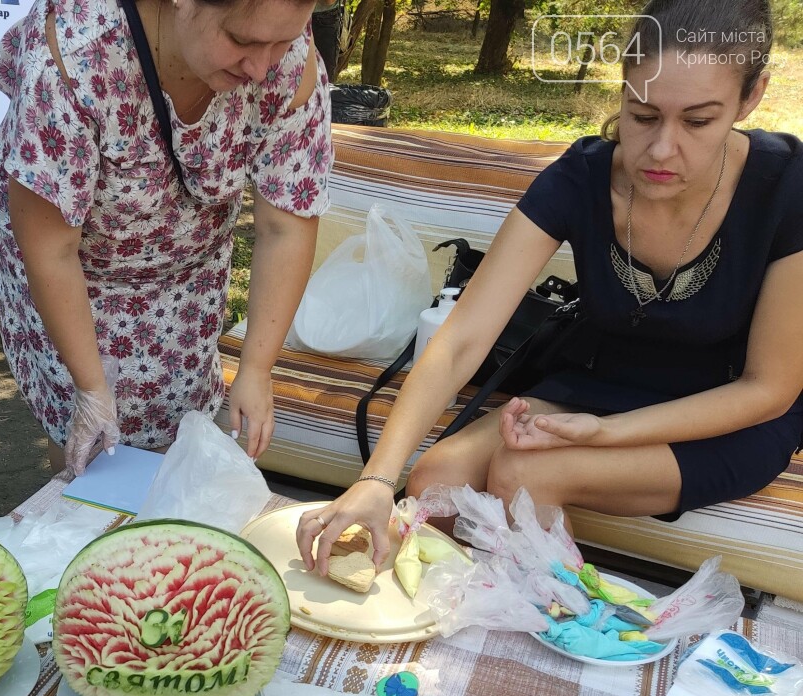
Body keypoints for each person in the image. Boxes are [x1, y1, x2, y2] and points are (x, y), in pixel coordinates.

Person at [297, 0, 803, 575]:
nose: (663, 149)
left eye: (697, 121)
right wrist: (376, 479)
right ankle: (455, 629)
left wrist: (606, 435)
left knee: (526, 473)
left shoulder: (786, 188)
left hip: (726, 410)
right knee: (434, 483)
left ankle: (551, 627)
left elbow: (770, 389)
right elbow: (464, 336)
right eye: (642, 116)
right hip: (601, 383)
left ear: (752, 96)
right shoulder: (584, 176)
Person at [0, 0, 334, 476]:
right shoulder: (75, 56)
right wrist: (90, 390)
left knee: (174, 419)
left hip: (187, 274)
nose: (261, 68)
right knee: (89, 442)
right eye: (243, 41)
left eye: (282, 42)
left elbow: (285, 224)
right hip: (76, 272)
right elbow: (52, 249)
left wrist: (256, 367)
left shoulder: (286, 59)